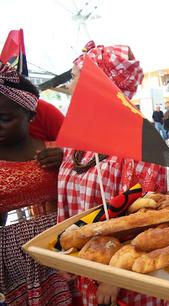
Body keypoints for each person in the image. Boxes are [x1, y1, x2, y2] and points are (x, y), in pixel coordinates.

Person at [57, 41, 168, 306]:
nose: (69, 86)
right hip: (83, 265)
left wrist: (115, 277)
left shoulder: (141, 143)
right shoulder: (77, 138)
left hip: (122, 278)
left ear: (98, 87)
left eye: (74, 78)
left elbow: (144, 217)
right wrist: (64, 251)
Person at [0, 63, 72, 305]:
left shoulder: (55, 152)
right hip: (13, 261)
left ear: (31, 115)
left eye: (4, 118)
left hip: (63, 250)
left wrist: (68, 160)